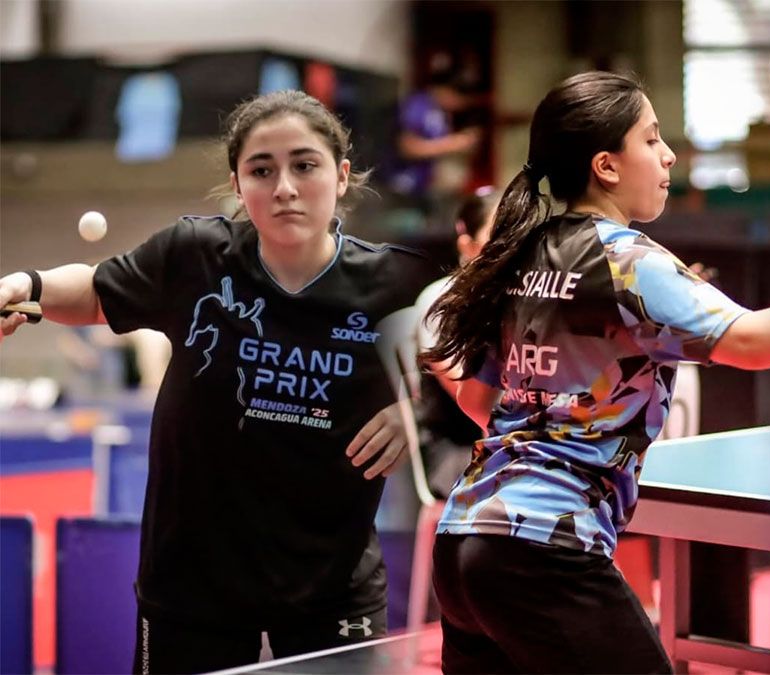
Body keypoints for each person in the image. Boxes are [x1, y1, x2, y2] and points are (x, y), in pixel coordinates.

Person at [420, 70, 770, 674]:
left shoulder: (517, 253)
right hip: (547, 549)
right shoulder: (626, 261)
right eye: (651, 139)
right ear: (606, 166)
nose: (668, 154)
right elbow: (749, 342)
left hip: (465, 541)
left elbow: (477, 399)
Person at [0, 90, 440, 674]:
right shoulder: (195, 256)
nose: (284, 187)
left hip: (331, 584)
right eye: (262, 170)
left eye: (304, 165)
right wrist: (26, 285)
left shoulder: (400, 284)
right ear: (238, 185)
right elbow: (98, 292)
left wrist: (423, 410)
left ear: (341, 176)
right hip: (191, 580)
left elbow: (492, 348)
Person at [411, 189, 499, 497]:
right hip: (457, 451)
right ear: (468, 246)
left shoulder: (529, 299)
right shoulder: (439, 301)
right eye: (499, 235)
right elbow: (471, 399)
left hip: (515, 442)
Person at [388, 68, 481, 214]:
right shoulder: (418, 105)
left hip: (423, 188)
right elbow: (407, 147)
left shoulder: (441, 112)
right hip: (401, 186)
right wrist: (454, 144)